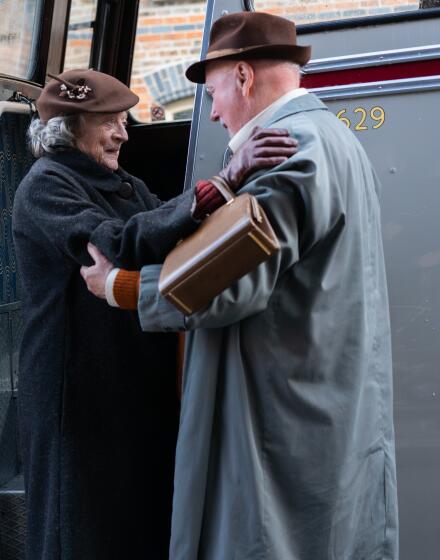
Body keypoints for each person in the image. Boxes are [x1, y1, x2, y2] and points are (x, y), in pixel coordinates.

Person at [81, 12, 398, 560]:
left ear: (244, 78)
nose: (214, 111)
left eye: (212, 93)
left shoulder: (287, 150)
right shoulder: (334, 138)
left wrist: (120, 285)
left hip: (280, 429)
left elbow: (229, 282)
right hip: (324, 414)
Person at [13, 69, 296, 559]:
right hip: (79, 403)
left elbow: (172, 235)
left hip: (129, 387)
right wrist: (223, 181)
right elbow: (119, 245)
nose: (124, 132)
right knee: (83, 534)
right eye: (110, 122)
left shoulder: (117, 181)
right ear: (69, 128)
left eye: (123, 120)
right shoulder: (46, 186)